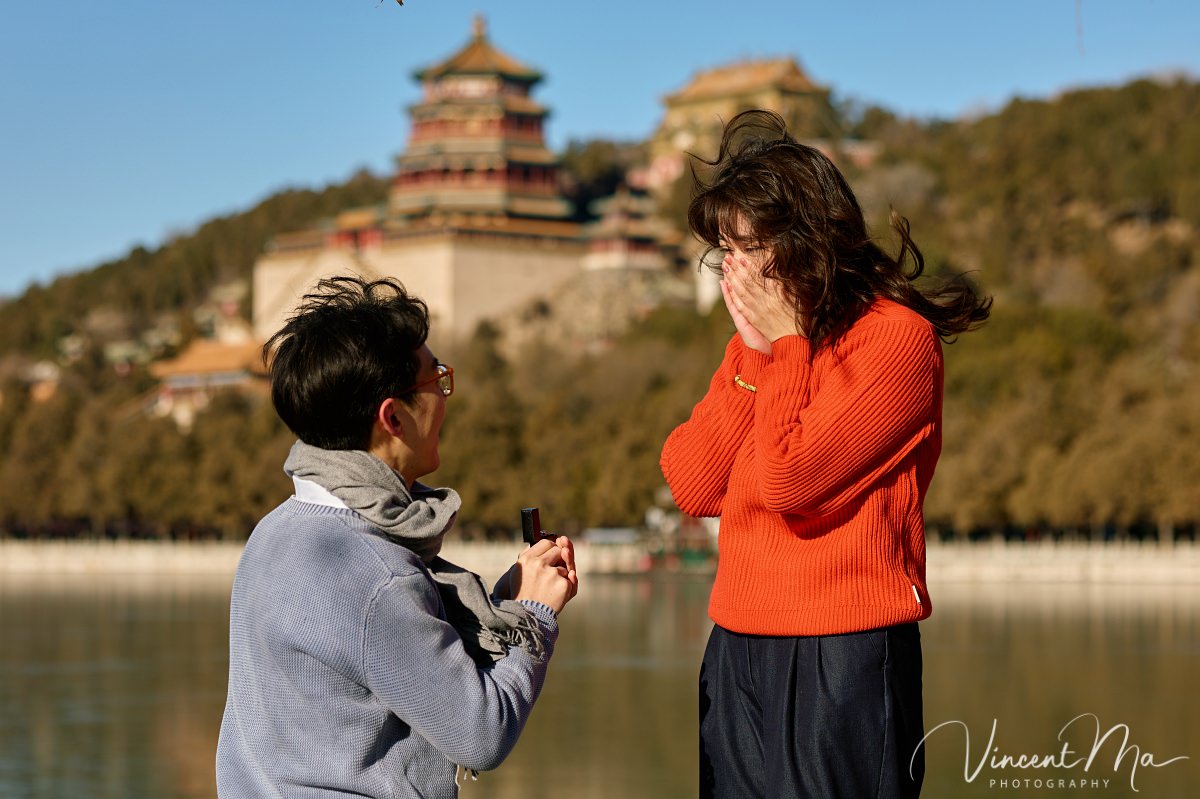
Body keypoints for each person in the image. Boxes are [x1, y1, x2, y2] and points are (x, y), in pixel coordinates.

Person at [660, 110, 990, 799]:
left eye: (750, 247)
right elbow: (691, 480)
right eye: (728, 250)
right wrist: (757, 353)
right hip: (737, 646)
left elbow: (789, 481)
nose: (738, 270)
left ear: (807, 239)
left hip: (843, 651)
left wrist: (784, 346)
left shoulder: (895, 341)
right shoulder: (765, 346)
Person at [216, 276, 578, 798]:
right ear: (393, 416)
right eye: (437, 381)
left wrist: (505, 605)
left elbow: (391, 667)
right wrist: (537, 620)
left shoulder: (276, 531)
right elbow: (480, 735)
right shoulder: (374, 576)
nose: (444, 399)